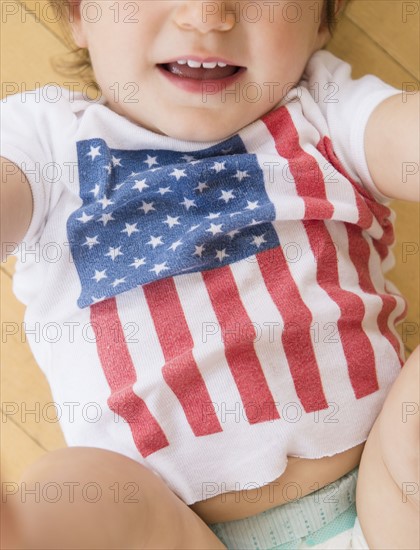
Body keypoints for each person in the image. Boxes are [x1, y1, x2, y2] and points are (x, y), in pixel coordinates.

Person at [1, 0, 418, 548]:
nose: (207, 14)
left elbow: (401, 133)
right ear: (78, 16)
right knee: (71, 487)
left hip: (389, 501)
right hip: (174, 529)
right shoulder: (45, 141)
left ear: (319, 21)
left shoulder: (325, 108)